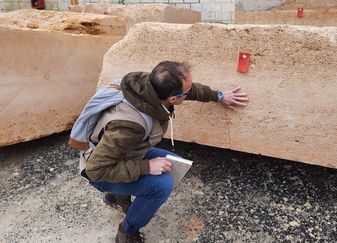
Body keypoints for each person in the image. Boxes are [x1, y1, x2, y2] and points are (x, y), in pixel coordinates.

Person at [72, 61, 248, 243]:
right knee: (162, 186)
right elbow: (96, 170)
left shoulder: (149, 86)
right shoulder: (129, 127)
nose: (189, 94)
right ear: (173, 99)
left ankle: (120, 197)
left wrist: (219, 96)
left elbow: (190, 90)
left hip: (123, 155)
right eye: (185, 94)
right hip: (100, 174)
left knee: (175, 164)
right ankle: (127, 231)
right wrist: (146, 167)